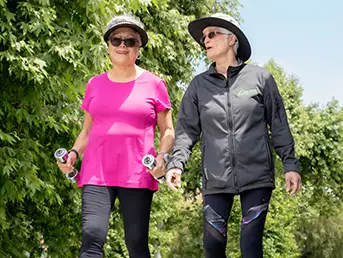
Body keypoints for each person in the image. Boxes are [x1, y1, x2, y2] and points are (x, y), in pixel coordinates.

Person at [165, 13, 301, 258]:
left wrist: (290, 164)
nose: (205, 40)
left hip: (257, 176)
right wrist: (177, 164)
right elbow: (186, 130)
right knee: (212, 247)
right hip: (216, 179)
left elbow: (279, 124)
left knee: (250, 246)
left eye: (212, 34)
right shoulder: (198, 86)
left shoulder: (261, 78)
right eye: (204, 37)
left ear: (231, 39)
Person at [57, 14, 174, 258]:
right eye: (116, 40)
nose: (122, 45)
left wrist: (163, 156)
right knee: (91, 238)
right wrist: (73, 154)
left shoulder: (155, 84)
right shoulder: (94, 84)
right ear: (108, 47)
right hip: (96, 171)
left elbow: (168, 131)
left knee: (136, 243)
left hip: (138, 172)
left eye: (130, 41)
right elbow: (87, 130)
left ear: (139, 48)